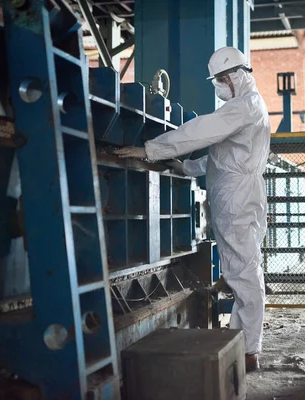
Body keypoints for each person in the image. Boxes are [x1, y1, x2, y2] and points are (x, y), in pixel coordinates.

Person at [115, 47, 270, 371]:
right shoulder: (247, 108)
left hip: (238, 201)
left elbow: (201, 131)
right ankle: (243, 345)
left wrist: (150, 149)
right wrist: (184, 167)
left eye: (219, 80)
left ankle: (250, 351)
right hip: (237, 198)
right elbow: (221, 159)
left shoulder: (242, 107)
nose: (218, 86)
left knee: (244, 274)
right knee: (241, 273)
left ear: (231, 78)